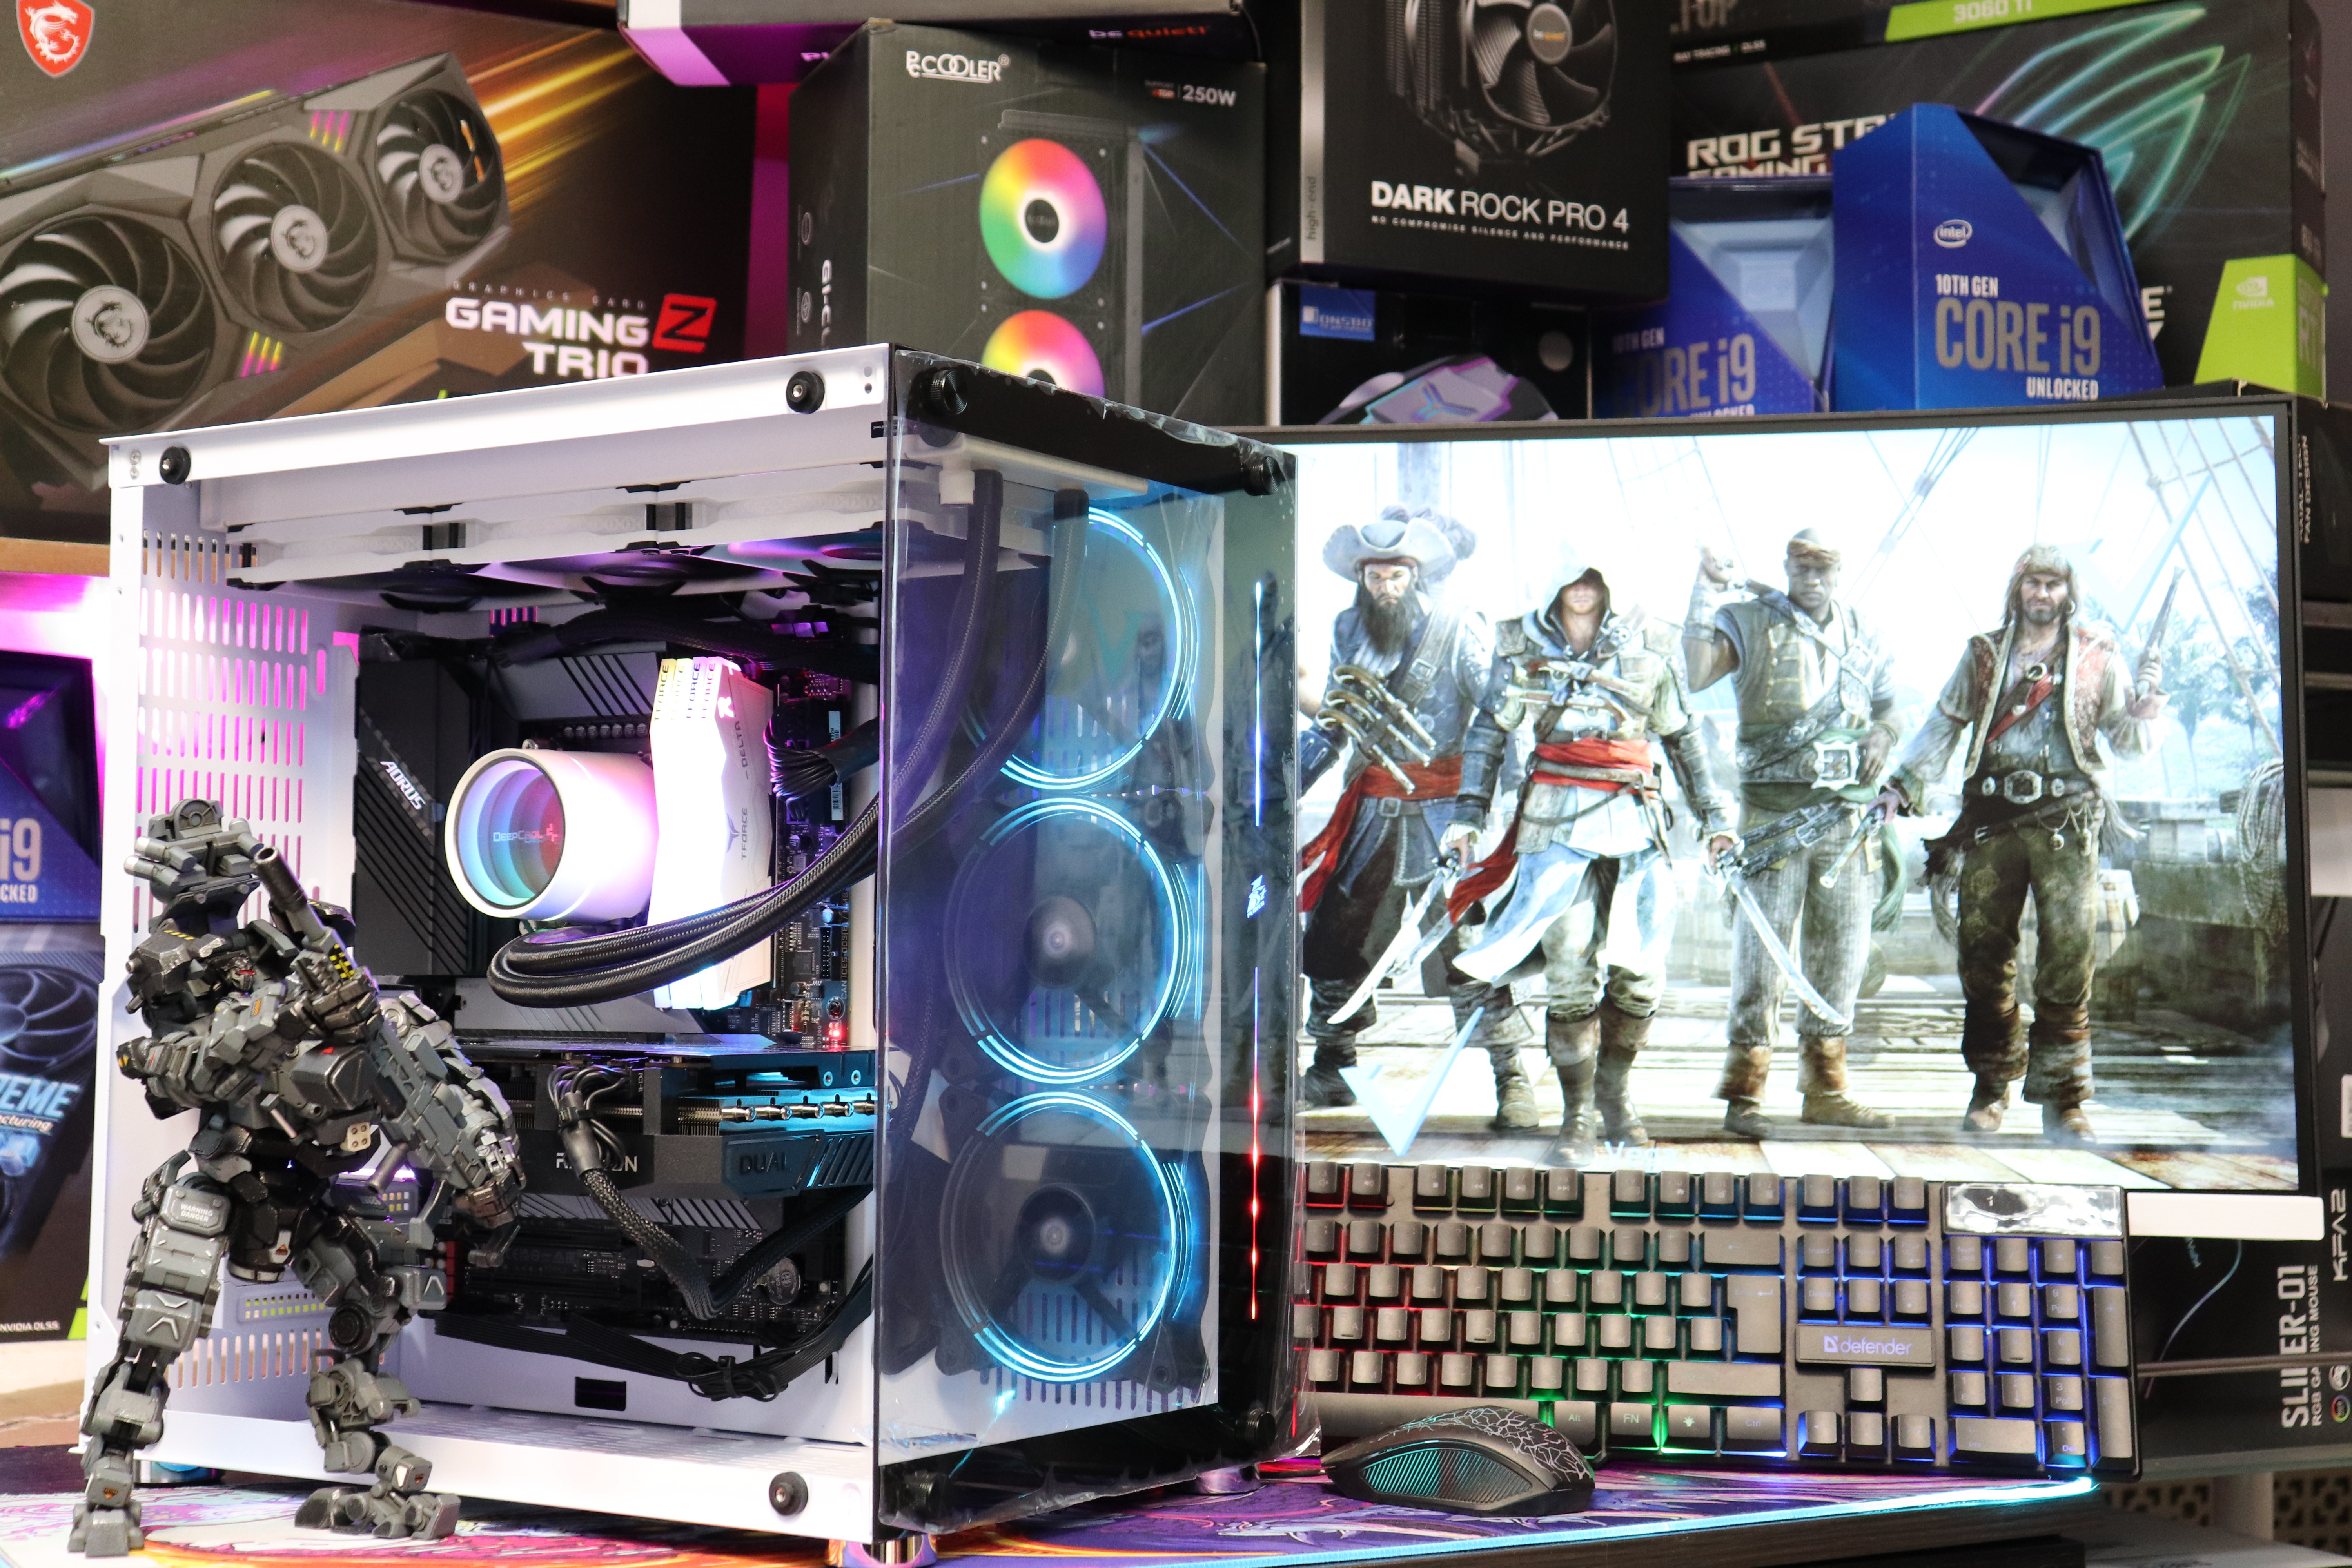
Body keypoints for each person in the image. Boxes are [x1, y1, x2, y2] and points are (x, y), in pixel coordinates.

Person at [1441, 561, 1734, 1164]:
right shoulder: (1519, 644)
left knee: (1641, 972)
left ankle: (1615, 1098)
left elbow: (1681, 736)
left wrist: (1715, 819)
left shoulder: (1652, 642)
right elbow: (1488, 734)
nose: (1582, 591)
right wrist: (1468, 815)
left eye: (1593, 580)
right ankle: (1577, 1117)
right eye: (1571, 579)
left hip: (1636, 820)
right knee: (1571, 967)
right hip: (1554, 823)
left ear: (1610, 585)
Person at [1877, 545, 2165, 1142]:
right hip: (1992, 818)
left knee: (2070, 956)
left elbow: (2126, 742)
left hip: (2068, 820)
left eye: (2053, 584)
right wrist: (1902, 785)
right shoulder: (1984, 654)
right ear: (2017, 590)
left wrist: (2144, 712)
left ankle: (2064, 1100)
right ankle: (1992, 1084)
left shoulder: (2099, 654)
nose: (2042, 594)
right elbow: (1945, 722)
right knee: (1982, 953)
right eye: (2033, 583)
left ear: (2068, 593)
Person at [1298, 508, 1527, 1122]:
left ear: (1415, 574)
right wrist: (1292, 781)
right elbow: (1341, 719)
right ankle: (1333, 1067)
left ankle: (1511, 1077)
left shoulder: (1460, 627)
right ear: (1361, 578)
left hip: (1445, 815)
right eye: (1375, 576)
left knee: (1468, 948)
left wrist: (1508, 802)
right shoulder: (1349, 628)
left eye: (1396, 575)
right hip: (1370, 810)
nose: (1386, 587)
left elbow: (1499, 716)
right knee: (1333, 937)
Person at [1686, 529, 1900, 1139]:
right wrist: (1704, 589)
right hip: (1770, 818)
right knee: (1761, 960)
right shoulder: (1749, 621)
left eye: (1823, 569)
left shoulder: (1864, 633)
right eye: (1803, 568)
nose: (1813, 579)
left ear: (1839, 572)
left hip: (1844, 818)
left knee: (1841, 957)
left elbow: (1890, 704)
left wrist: (1884, 733)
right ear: (1786, 568)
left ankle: (1827, 1090)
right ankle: (1745, 1095)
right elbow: (1696, 672)